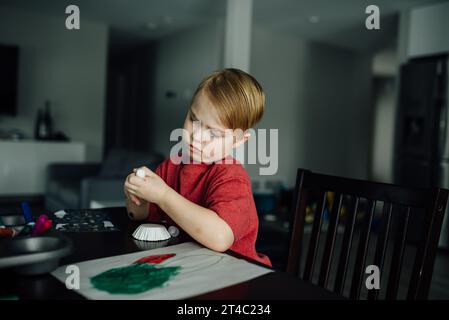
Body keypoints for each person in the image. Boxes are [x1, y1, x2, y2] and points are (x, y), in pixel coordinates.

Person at [124, 68, 271, 267]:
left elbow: (220, 238)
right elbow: (143, 214)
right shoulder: (172, 165)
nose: (198, 136)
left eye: (214, 133)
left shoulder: (231, 177)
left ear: (238, 141)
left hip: (235, 273)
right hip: (188, 265)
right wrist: (137, 195)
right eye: (194, 120)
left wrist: (163, 195)